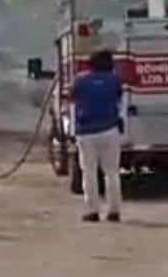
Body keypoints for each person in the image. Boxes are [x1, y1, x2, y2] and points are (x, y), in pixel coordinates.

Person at [70, 49, 124, 223]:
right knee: (112, 172)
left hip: (86, 133)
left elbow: (71, 96)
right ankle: (114, 211)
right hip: (109, 130)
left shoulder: (80, 80)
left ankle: (92, 211)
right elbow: (119, 97)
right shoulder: (115, 81)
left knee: (89, 172)